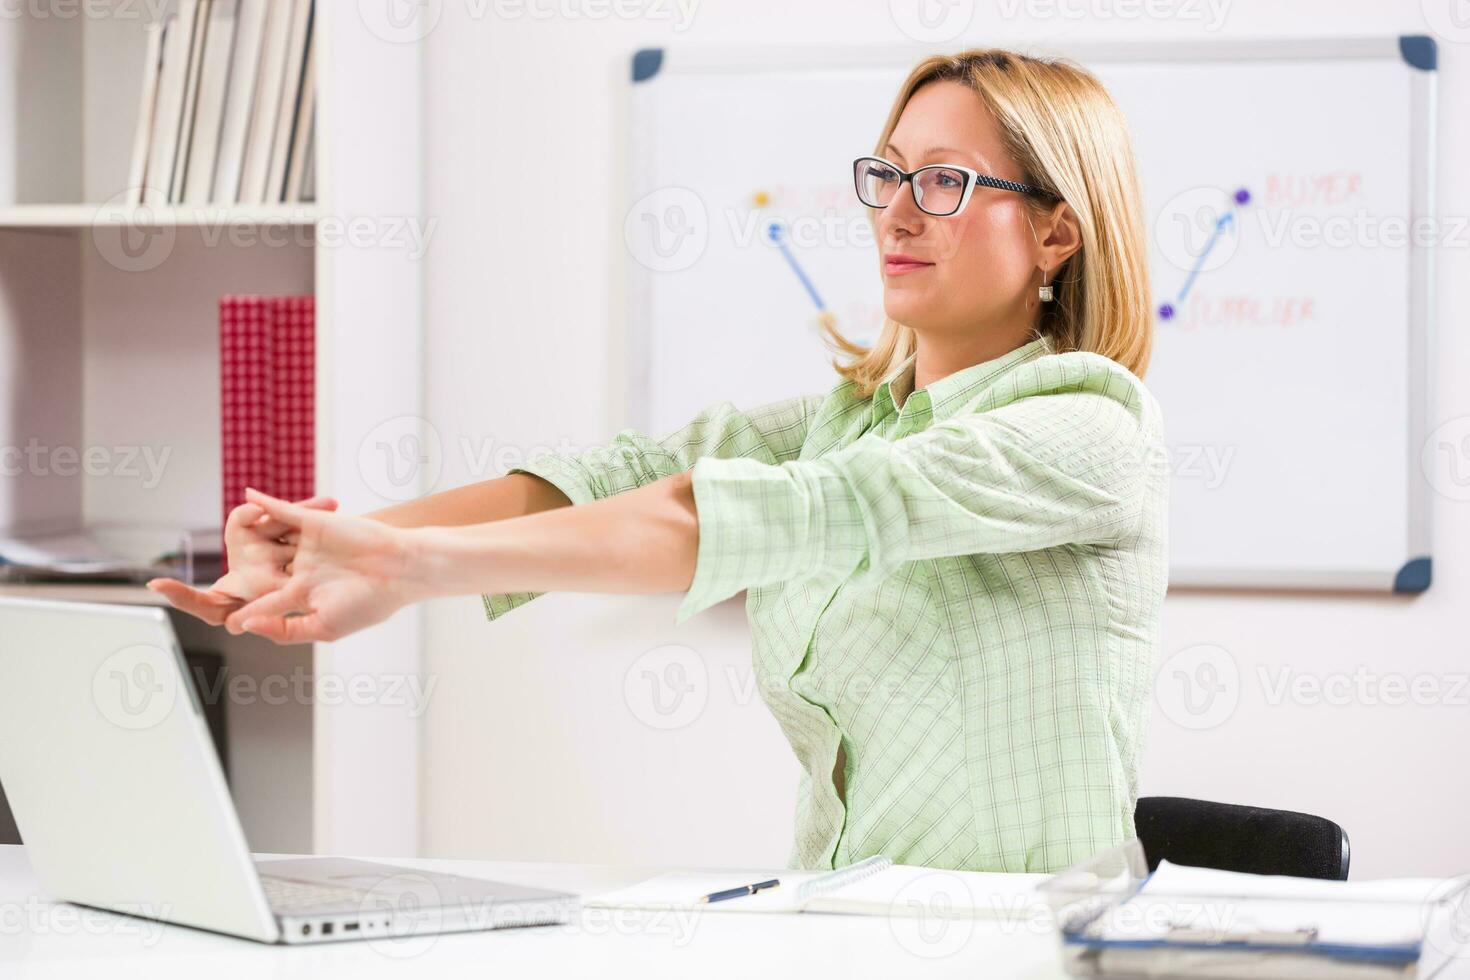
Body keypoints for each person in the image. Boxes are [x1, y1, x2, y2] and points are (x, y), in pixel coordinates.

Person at [151, 48, 1168, 875]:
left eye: (944, 181)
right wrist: (341, 549)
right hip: (836, 930)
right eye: (889, 171)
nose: (896, 210)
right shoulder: (856, 417)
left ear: (1056, 230)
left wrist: (401, 569)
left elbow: (755, 512)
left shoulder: (1091, 430)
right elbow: (624, 474)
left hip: (1025, 949)